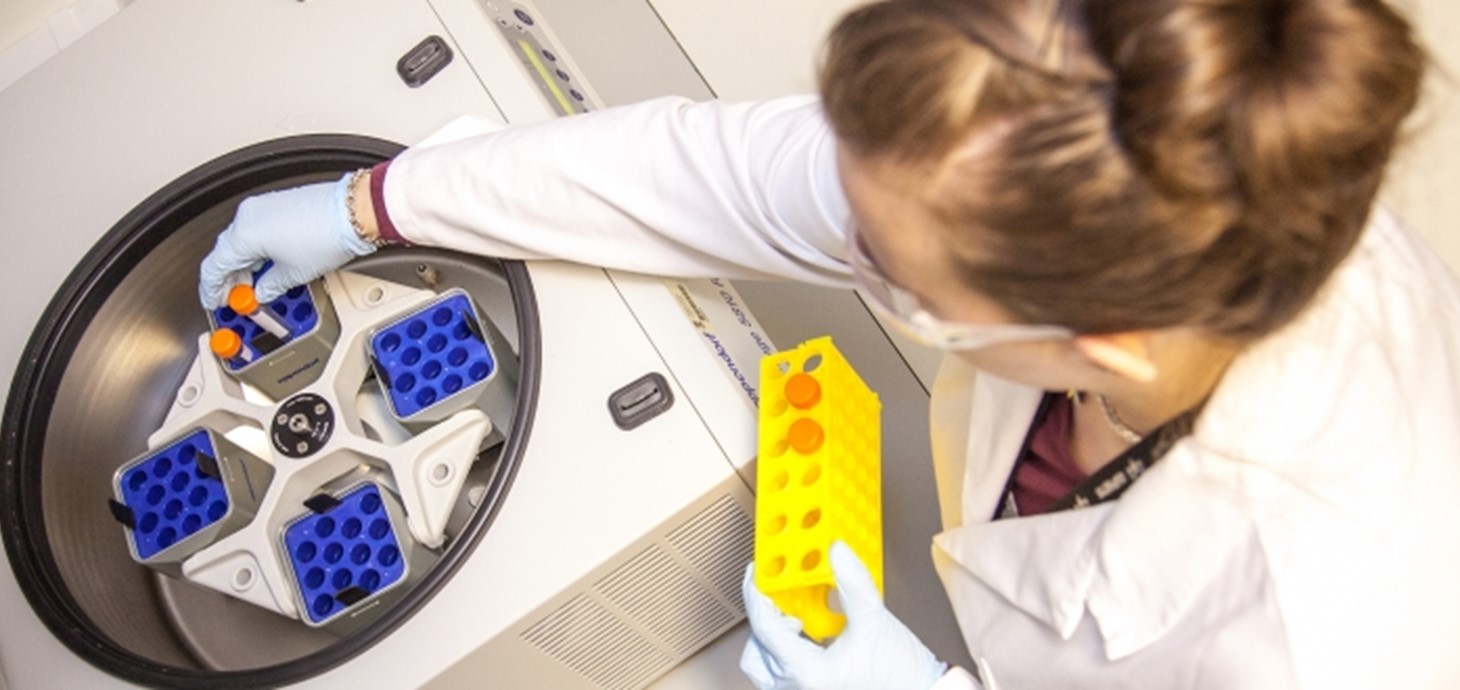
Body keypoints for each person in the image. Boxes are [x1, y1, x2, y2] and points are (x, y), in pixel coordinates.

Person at [199, 0, 1460, 687]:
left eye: (887, 271)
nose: (837, 240)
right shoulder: (1071, 134)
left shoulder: (1328, 636)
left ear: (1099, 344)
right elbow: (715, 176)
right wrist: (383, 200)